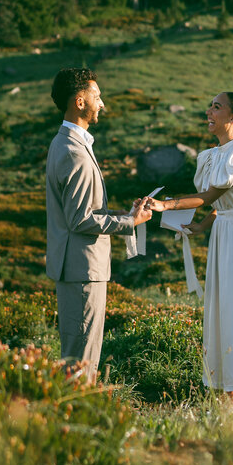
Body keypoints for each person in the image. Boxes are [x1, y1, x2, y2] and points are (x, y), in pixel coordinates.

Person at [148, 91, 233, 406]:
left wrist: (164, 205)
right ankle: (228, 389)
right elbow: (220, 204)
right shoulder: (212, 155)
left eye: (217, 107)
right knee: (223, 306)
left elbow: (210, 197)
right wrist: (203, 226)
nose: (209, 111)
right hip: (223, 233)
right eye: (211, 106)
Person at [46, 66, 152, 379]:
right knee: (82, 358)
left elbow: (79, 211)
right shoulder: (74, 152)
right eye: (97, 96)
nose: (102, 103)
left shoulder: (63, 143)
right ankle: (76, 417)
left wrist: (123, 215)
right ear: (80, 101)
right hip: (82, 269)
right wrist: (130, 222)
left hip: (75, 267)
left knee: (77, 353)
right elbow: (80, 219)